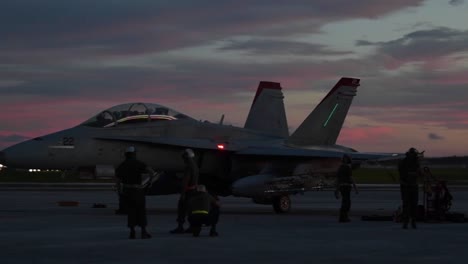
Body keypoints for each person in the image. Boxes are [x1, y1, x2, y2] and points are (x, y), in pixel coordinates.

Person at [116, 146, 158, 239]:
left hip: (127, 191)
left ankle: (132, 232)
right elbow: (152, 172)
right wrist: (149, 183)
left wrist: (120, 193)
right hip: (138, 191)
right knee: (141, 211)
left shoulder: (122, 165)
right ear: (134, 154)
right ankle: (143, 232)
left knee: (131, 212)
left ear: (126, 155)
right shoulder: (139, 163)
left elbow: (118, 182)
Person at [170, 148, 200, 234]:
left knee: (182, 209)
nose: (183, 158)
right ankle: (192, 227)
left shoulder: (188, 167)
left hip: (188, 191)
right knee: (191, 210)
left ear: (186, 156)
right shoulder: (195, 166)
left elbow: (185, 181)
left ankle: (180, 227)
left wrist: (182, 194)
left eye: (184, 156)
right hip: (194, 190)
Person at [398, 147, 421, 229]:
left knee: (409, 205)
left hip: (409, 186)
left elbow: (418, 173)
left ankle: (408, 222)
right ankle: (410, 222)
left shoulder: (412, 162)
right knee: (410, 205)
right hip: (408, 186)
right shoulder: (408, 163)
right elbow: (417, 174)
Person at [334, 154, 358, 222]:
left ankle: (343, 217)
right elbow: (351, 178)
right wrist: (355, 188)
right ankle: (344, 217)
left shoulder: (340, 168)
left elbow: (338, 179)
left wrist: (336, 190)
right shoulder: (347, 168)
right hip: (346, 186)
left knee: (345, 201)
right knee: (347, 202)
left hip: (342, 187)